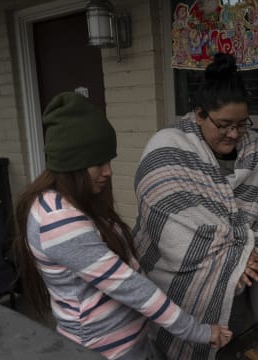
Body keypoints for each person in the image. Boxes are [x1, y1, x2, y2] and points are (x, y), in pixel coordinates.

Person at [13, 92, 232, 360]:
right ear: (72, 164)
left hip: (126, 345)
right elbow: (130, 286)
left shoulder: (70, 202)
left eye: (109, 161)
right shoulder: (59, 220)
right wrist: (199, 332)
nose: (108, 171)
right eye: (98, 163)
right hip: (105, 351)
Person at [132, 53, 258, 359]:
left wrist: (247, 258)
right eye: (224, 124)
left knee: (232, 348)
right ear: (199, 114)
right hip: (176, 287)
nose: (234, 134)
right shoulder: (168, 146)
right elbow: (167, 215)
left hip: (236, 288)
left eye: (242, 124)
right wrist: (239, 256)